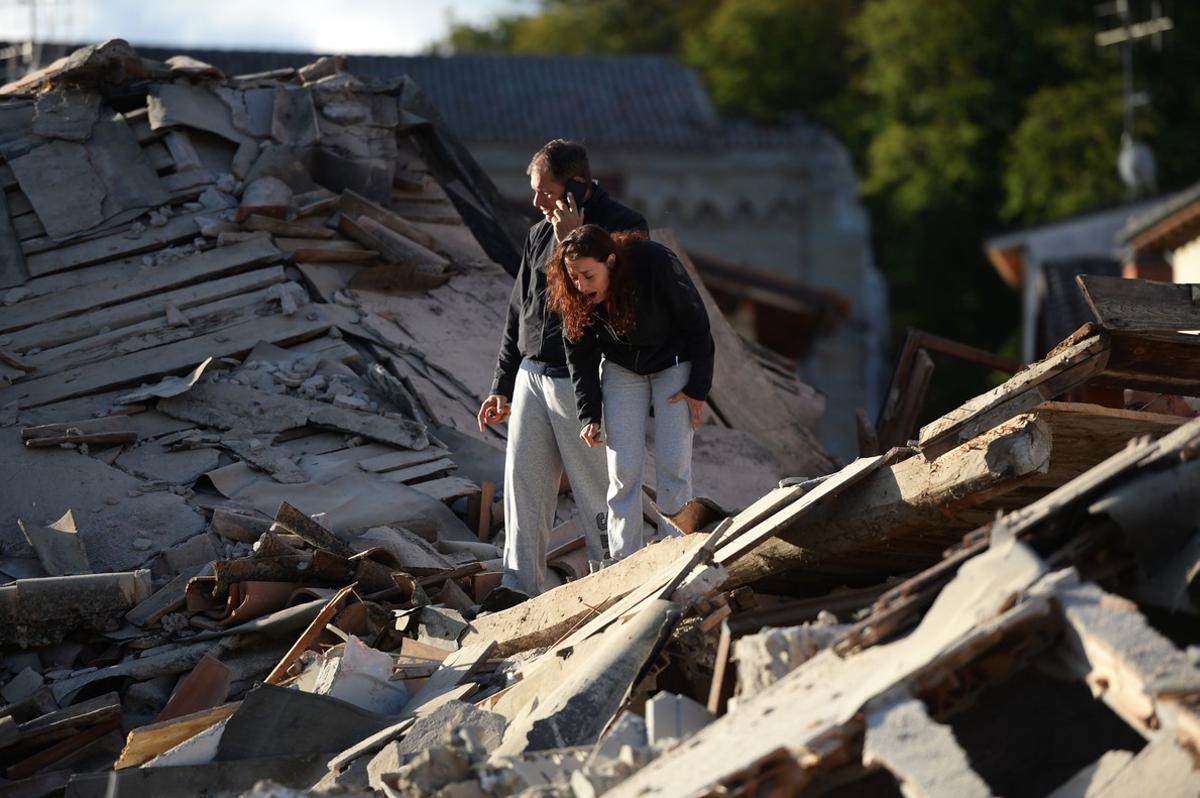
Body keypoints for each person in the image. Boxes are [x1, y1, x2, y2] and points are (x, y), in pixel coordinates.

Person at [477, 140, 647, 599]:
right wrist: (502, 385)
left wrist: (574, 238)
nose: (535, 202)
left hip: (585, 381)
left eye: (543, 190)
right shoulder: (537, 234)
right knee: (523, 487)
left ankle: (609, 584)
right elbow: (519, 312)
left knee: (597, 491)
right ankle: (518, 587)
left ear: (575, 186)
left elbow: (616, 311)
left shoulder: (625, 229)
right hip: (532, 377)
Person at [547, 225, 714, 561]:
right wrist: (589, 414)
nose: (580, 286)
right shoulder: (576, 295)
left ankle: (676, 556)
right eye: (574, 277)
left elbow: (697, 323)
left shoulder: (654, 263)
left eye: (588, 276)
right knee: (622, 472)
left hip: (673, 364)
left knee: (673, 466)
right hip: (622, 370)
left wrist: (697, 388)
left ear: (611, 261)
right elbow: (579, 357)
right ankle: (624, 563)